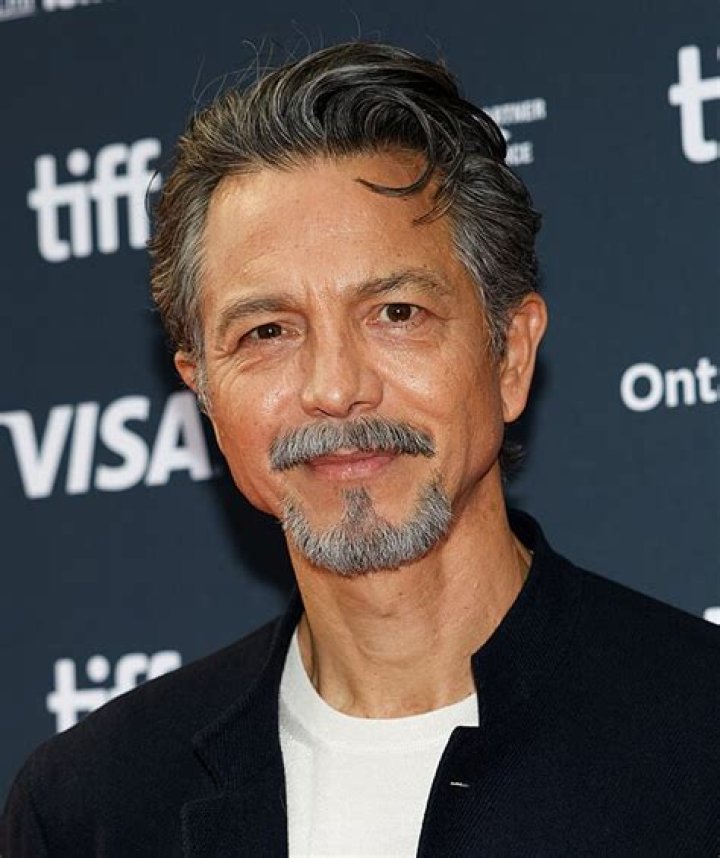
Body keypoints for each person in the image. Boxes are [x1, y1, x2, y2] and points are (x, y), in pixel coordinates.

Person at [2, 42, 718, 857]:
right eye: (267, 332)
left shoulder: (700, 732)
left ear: (510, 356)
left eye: (397, 314)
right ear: (203, 392)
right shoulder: (91, 809)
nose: (335, 388)